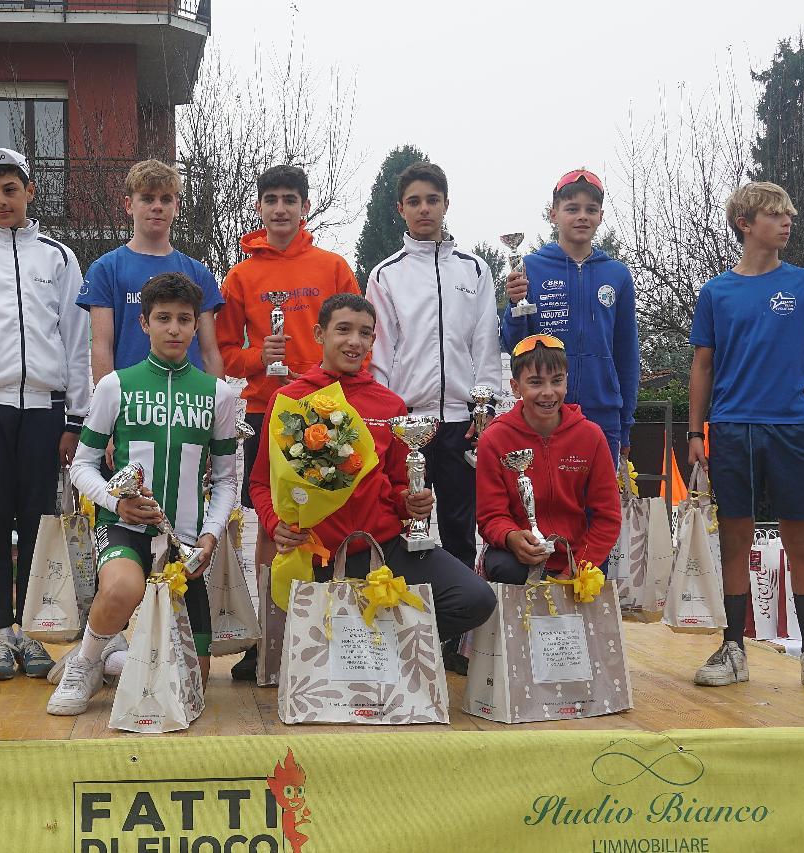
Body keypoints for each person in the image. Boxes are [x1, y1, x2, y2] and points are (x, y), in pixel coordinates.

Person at [249, 293, 497, 654]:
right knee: (316, 646)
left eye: (364, 333)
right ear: (319, 334)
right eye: (343, 330)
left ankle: (380, 650)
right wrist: (275, 525)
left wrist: (409, 502)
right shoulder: (289, 399)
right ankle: (364, 651)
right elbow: (260, 482)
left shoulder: (390, 404)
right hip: (319, 555)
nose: (354, 341)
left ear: (373, 341)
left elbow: (397, 484)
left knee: (475, 599)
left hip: (384, 548)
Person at [688, 181, 804, 695]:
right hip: (732, 428)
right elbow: (702, 366)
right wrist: (696, 430)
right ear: (745, 223)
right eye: (776, 215)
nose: (787, 223)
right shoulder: (716, 292)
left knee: (801, 540)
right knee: (735, 540)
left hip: (794, 428)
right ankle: (733, 649)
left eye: (789, 215)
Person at [54, 272, 240, 716]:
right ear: (144, 323)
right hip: (124, 527)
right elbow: (81, 466)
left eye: (184, 319)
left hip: (186, 542)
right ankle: (84, 664)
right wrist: (117, 502)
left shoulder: (219, 394)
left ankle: (116, 661)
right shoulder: (114, 385)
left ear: (196, 325)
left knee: (193, 684)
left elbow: (225, 481)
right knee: (123, 588)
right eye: (163, 318)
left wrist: (210, 535)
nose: (174, 329)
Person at [0, 148, 91, 681]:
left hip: (45, 410)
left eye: (10, 190)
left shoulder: (59, 257)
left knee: (36, 521)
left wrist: (76, 419)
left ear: (30, 191)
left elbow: (76, 342)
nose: (1, 200)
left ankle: (31, 632)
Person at [215, 164, 361, 680]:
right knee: (271, 523)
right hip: (267, 412)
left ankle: (330, 628)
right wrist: (260, 357)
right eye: (271, 200)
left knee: (331, 518)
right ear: (259, 207)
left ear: (305, 207)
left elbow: (359, 336)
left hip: (328, 412)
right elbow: (225, 354)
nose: (280, 209)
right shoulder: (241, 275)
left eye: (290, 200)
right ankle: (268, 637)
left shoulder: (333, 267)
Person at [364, 161, 502, 671]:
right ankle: (403, 624)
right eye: (414, 201)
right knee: (407, 527)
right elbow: (380, 353)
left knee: (461, 527)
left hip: (463, 420)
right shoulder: (386, 273)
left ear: (446, 204)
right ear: (400, 209)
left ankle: (453, 639)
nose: (424, 209)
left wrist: (486, 411)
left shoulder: (475, 269)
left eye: (432, 200)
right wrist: (385, 420)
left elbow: (485, 343)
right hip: (408, 423)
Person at [501, 169, 639, 460]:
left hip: (602, 414)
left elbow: (626, 354)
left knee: (600, 491)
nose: (582, 217)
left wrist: (626, 423)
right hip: (543, 412)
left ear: (600, 216)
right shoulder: (529, 267)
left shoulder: (617, 275)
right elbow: (514, 344)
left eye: (591, 210)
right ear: (553, 214)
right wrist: (514, 306)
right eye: (572, 209)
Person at [475, 335, 621, 582]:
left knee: (594, 576)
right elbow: (490, 516)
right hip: (520, 558)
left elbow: (608, 516)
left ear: (566, 381)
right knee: (504, 567)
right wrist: (511, 537)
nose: (548, 392)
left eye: (557, 381)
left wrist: (578, 569)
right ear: (515, 387)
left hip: (574, 556)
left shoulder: (590, 436)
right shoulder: (494, 438)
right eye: (535, 382)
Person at [77, 159, 224, 382]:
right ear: (129, 205)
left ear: (177, 207)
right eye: (147, 198)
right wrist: (107, 400)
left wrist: (218, 400)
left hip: (188, 398)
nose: (157, 206)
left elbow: (209, 352)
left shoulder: (198, 273)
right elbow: (102, 347)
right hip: (131, 397)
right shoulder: (105, 269)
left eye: (166, 199)